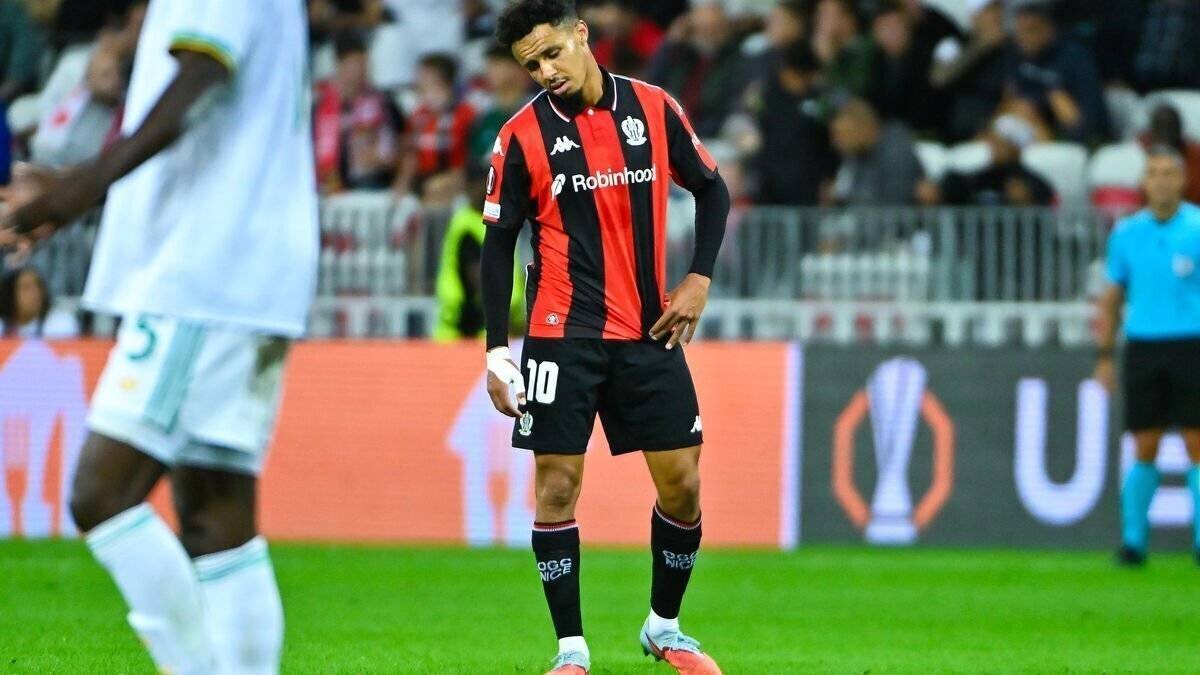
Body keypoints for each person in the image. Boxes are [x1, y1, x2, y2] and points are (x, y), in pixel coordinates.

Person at [0, 1, 318, 673]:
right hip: (242, 268)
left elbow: (197, 80)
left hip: (206, 272)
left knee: (101, 493)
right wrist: (77, 181)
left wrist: (82, 185)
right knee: (214, 514)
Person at [484, 1, 729, 673]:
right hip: (562, 336)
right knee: (556, 487)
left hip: (649, 329)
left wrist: (699, 278)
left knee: (682, 483)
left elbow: (713, 190)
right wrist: (497, 350)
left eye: (552, 53)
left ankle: (665, 627)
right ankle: (570, 650)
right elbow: (497, 243)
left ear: (581, 35)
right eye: (530, 65)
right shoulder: (520, 136)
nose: (545, 71)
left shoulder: (652, 108)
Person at [1094, 146, 1200, 568]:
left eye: (1169, 173)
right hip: (1144, 345)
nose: (1161, 180)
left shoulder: (1197, 227)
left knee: (1196, 441)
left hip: (1192, 344)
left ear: (1183, 181)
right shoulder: (1126, 234)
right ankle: (1134, 541)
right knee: (1145, 442)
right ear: (1144, 182)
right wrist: (1104, 354)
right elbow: (1112, 297)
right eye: (1154, 173)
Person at [433, 164, 523, 342]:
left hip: (493, 327)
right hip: (470, 331)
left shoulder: (493, 221)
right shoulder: (468, 226)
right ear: (474, 186)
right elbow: (481, 280)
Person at [1005, 2, 1109, 144]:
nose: (1023, 39)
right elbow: (1014, 97)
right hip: (1035, 130)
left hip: (1081, 136)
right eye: (1020, 32)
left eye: (1031, 30)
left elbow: (1094, 118)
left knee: (1059, 99)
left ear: (1048, 27)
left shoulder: (1075, 56)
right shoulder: (1018, 55)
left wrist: (1051, 101)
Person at [313, 34, 405, 193]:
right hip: (326, 185)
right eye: (355, 63)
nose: (362, 69)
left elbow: (404, 141)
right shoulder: (320, 104)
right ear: (339, 64)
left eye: (365, 63)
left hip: (372, 182)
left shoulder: (384, 102)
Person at [643, 3, 746, 138]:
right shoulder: (679, 53)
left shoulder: (736, 60)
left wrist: (693, 134)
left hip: (708, 136)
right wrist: (670, 43)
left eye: (714, 29)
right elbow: (651, 83)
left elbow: (728, 106)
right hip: (667, 129)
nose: (706, 35)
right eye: (701, 29)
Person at [919, 114, 1053, 207]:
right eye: (993, 140)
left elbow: (1049, 218)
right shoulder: (981, 177)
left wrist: (1027, 203)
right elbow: (954, 188)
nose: (993, 145)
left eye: (1002, 141)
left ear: (1016, 147)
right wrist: (937, 191)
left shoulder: (1035, 184)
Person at [397, 53, 476, 203]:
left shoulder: (465, 115)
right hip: (422, 184)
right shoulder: (418, 116)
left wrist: (447, 183)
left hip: (455, 184)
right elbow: (410, 158)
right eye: (421, 85)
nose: (423, 90)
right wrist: (400, 187)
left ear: (447, 84)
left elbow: (467, 162)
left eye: (429, 83)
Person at [828, 97, 923, 207]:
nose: (835, 143)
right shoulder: (856, 156)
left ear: (861, 128)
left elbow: (893, 204)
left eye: (841, 135)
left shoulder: (895, 152)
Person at [1141, 104, 1200, 206]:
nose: (1166, 133)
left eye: (1170, 127)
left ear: (1180, 129)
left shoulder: (1195, 156)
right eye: (1161, 127)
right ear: (1152, 132)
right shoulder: (1138, 154)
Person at [0, 266, 79, 338]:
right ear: (10, 294)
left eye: (38, 285)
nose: (35, 292)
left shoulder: (61, 323)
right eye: (26, 288)